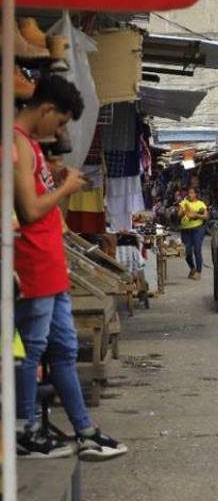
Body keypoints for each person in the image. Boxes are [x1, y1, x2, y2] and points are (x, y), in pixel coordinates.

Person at [13, 75, 128, 461]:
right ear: (46, 109)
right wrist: (65, 190)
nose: (60, 131)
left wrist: (57, 180)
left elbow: (37, 199)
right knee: (32, 351)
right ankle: (25, 429)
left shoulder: (30, 146)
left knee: (63, 349)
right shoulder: (16, 143)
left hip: (51, 264)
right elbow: (29, 211)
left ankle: (84, 429)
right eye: (60, 122)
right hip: (32, 265)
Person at [178, 187, 209, 280]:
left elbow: (206, 216)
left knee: (197, 250)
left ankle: (198, 271)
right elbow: (179, 214)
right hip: (185, 230)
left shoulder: (201, 204)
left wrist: (195, 215)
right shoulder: (184, 203)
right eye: (189, 193)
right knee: (187, 252)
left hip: (197, 229)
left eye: (192, 193)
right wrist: (184, 211)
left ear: (196, 194)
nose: (190, 195)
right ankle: (192, 268)